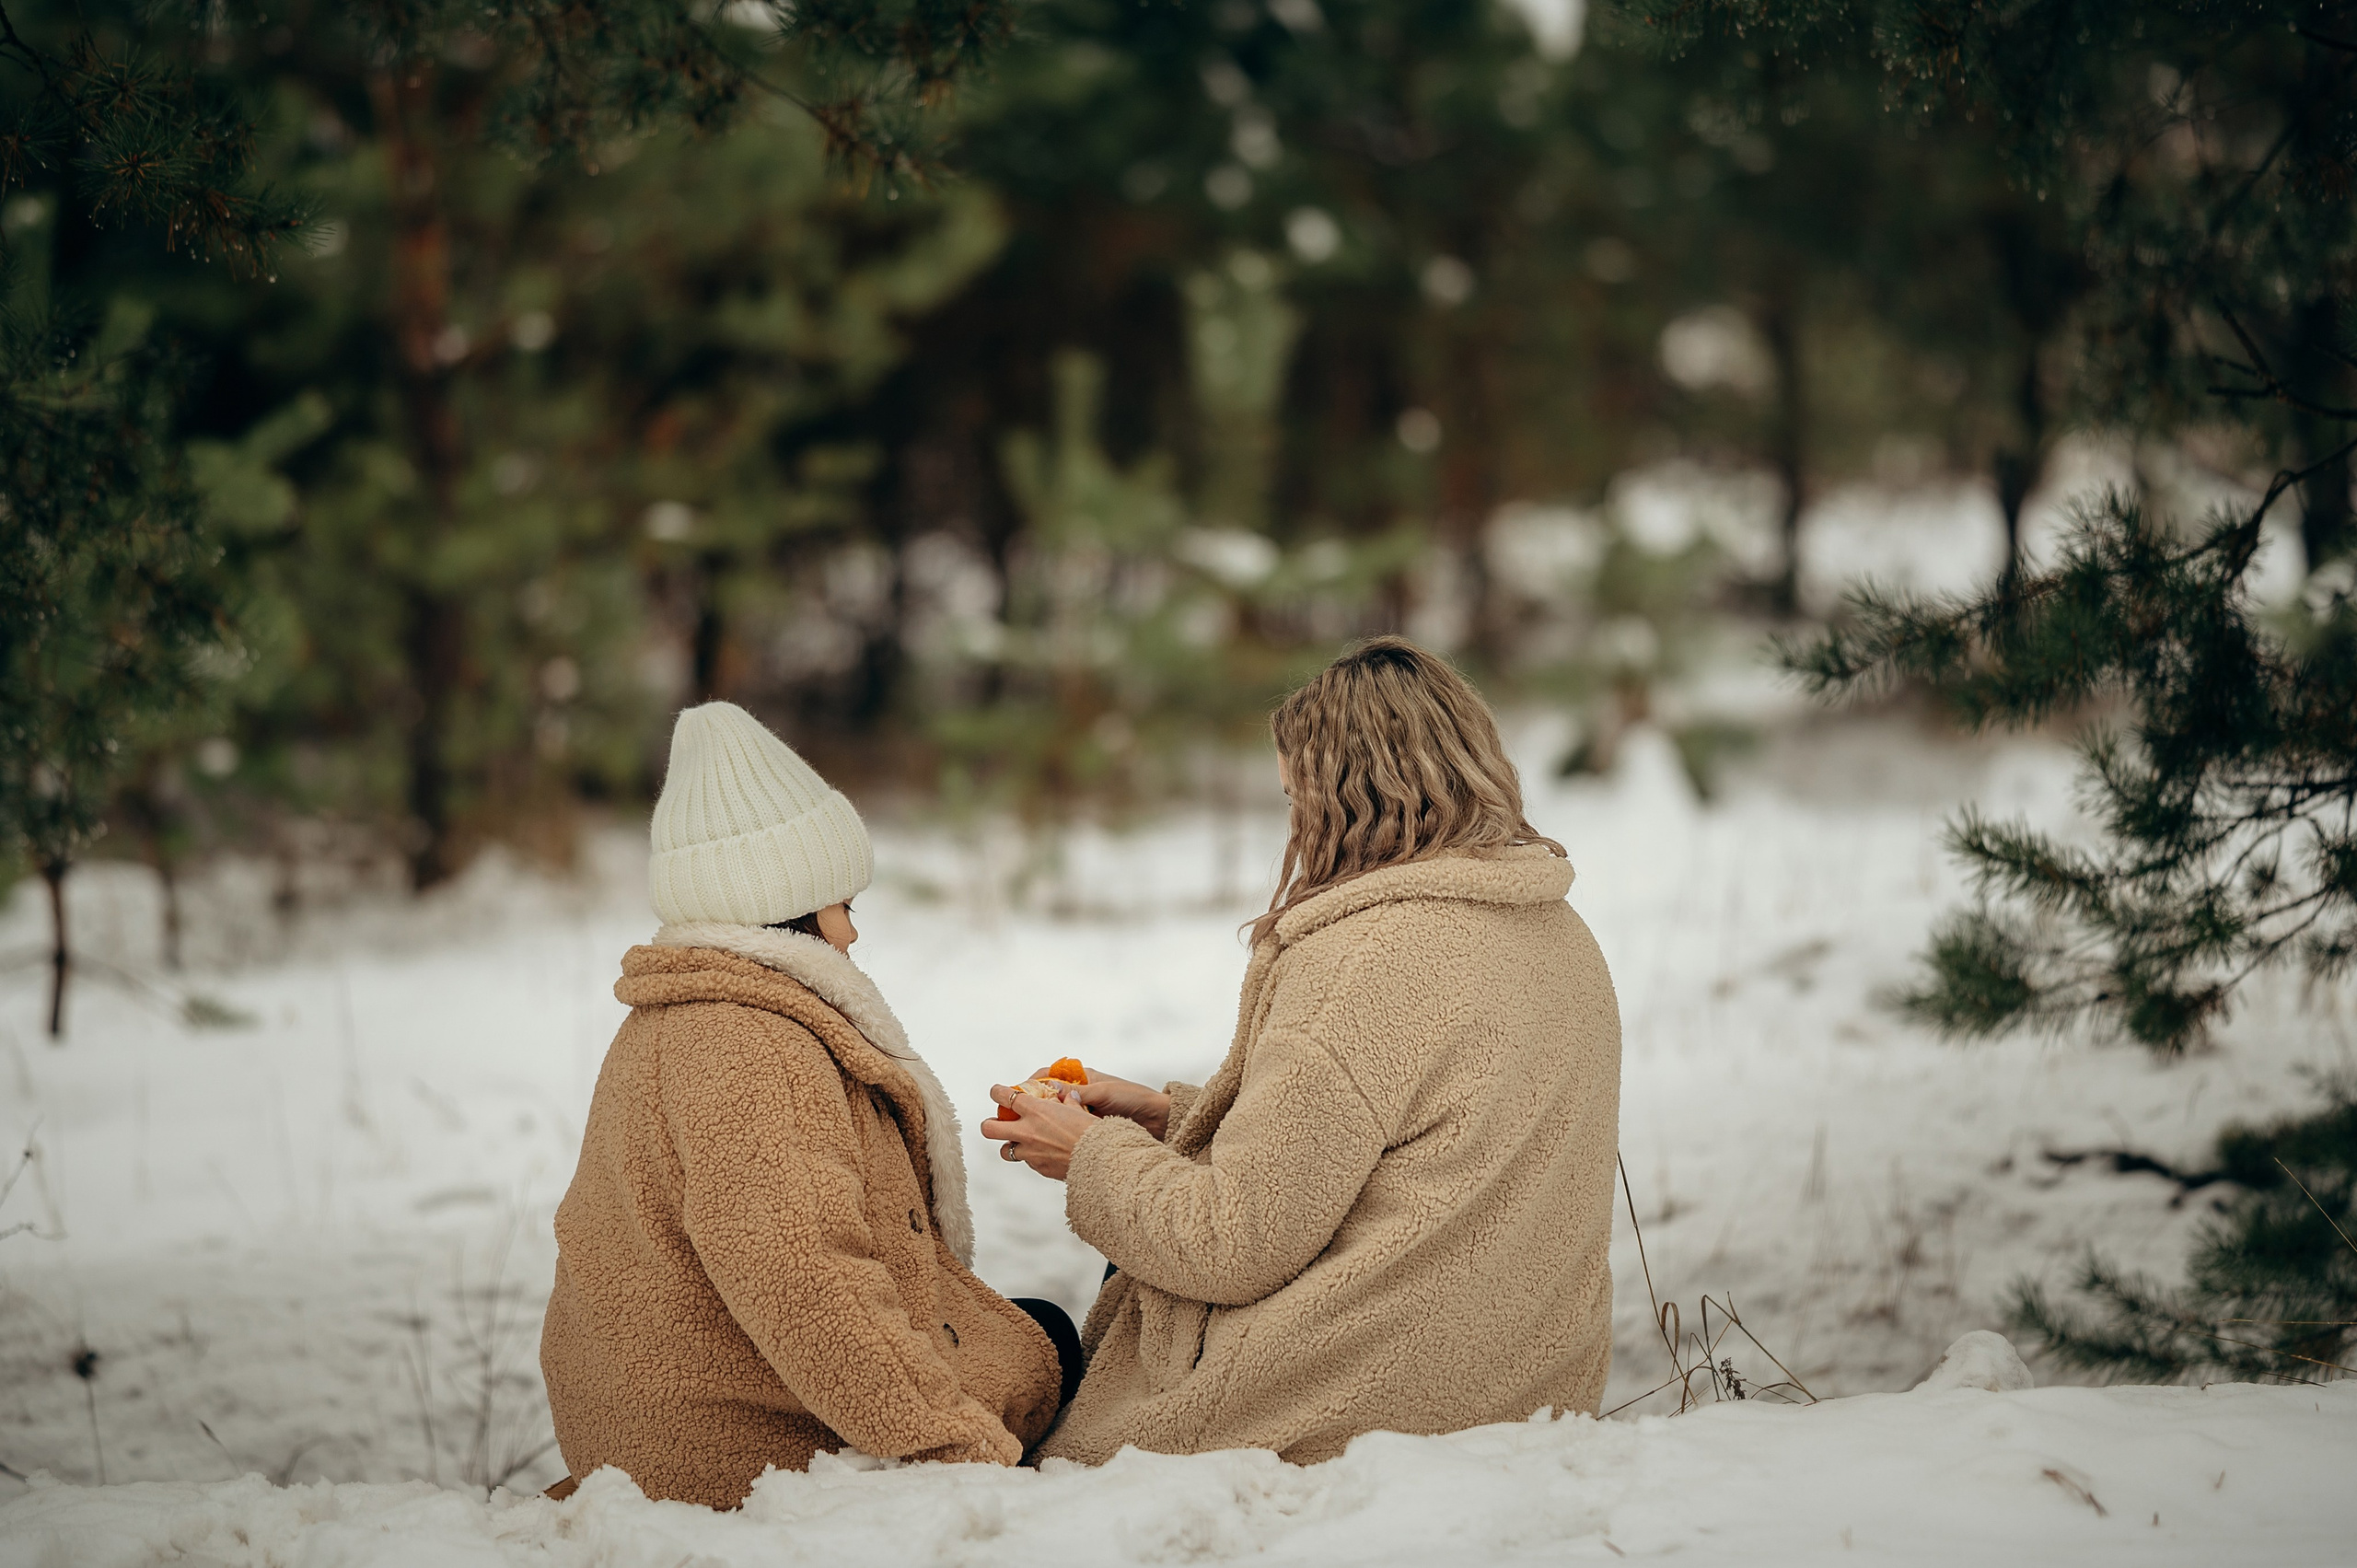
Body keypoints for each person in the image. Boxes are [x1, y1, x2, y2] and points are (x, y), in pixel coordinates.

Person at [983, 636, 1622, 1465]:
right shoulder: (1554, 928)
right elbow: (1408, 1135)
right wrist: (1172, 1116)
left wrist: (1091, 1154)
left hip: (1368, 1403)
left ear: (1345, 798)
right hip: (1523, 1383)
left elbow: (1232, 1241)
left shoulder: (1365, 958)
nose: (1293, 820)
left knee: (1051, 1336)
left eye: (1295, 797)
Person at [540, 702, 1070, 1509]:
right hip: (728, 1441)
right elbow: (805, 1279)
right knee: (1059, 1347)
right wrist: (957, 1451)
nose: (853, 936)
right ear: (787, 905)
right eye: (844, 907)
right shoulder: (751, 1049)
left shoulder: (686, 1019)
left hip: (662, 1409)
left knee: (1026, 1329)